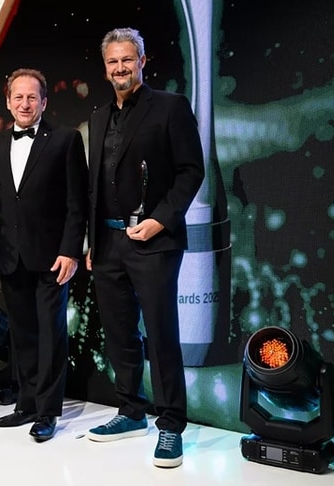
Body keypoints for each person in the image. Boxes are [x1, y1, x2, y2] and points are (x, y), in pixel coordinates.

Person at [84, 27, 204, 468]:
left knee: (161, 333)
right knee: (119, 333)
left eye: (127, 60)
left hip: (154, 240)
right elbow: (97, 184)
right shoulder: (99, 116)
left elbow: (191, 170)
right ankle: (131, 411)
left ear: (142, 61)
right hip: (108, 242)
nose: (120, 68)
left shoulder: (170, 106)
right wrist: (93, 241)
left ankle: (170, 424)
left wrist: (160, 220)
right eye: (112, 62)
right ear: (105, 69)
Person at [0, 68, 88, 443]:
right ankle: (27, 403)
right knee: (22, 333)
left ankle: (48, 411)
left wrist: (71, 251)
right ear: (8, 102)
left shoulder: (66, 140)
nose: (25, 104)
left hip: (53, 258)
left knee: (51, 333)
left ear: (44, 102)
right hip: (10, 256)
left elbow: (77, 203)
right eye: (18, 97)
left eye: (32, 97)